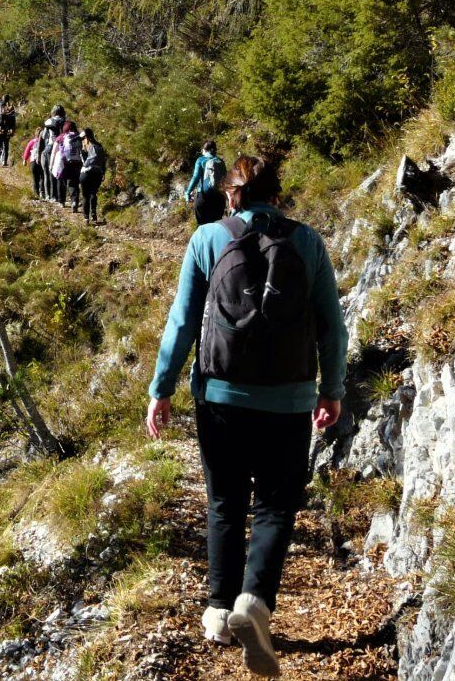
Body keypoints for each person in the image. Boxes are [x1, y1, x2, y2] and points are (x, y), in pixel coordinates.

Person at [146, 156, 347, 678]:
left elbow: (184, 320)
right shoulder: (308, 243)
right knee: (277, 504)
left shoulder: (208, 239)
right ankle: (254, 601)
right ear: (277, 195)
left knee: (224, 501)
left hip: (220, 396)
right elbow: (332, 327)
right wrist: (332, 390)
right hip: (290, 397)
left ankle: (217, 612)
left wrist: (161, 389)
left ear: (229, 194)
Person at [186, 141, 227, 225]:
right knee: (216, 224)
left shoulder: (201, 160)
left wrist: (188, 192)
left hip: (204, 196)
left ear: (204, 150)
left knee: (202, 226)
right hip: (219, 197)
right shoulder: (220, 161)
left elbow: (195, 177)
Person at [53, 120, 83, 209]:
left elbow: (54, 151)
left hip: (64, 162)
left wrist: (52, 164)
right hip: (77, 162)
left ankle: (61, 201)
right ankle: (74, 201)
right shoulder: (79, 137)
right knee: (74, 182)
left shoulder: (61, 137)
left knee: (61, 180)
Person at [78, 129, 106, 224]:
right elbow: (103, 161)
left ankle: (86, 218)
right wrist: (103, 173)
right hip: (97, 172)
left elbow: (83, 162)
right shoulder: (99, 146)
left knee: (85, 195)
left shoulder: (84, 147)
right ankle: (93, 214)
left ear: (86, 137)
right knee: (93, 193)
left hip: (85, 173)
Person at [41, 106, 66, 202]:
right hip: (63, 148)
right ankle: (61, 196)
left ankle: (52, 195)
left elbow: (44, 136)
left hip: (51, 147)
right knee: (60, 173)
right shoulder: (66, 122)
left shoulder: (49, 121)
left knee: (49, 172)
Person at [0, 96, 17, 166]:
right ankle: (4, 161)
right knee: (5, 145)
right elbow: (14, 121)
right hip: (7, 130)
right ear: (8, 99)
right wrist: (12, 130)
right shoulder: (11, 108)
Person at [23, 131, 46, 198]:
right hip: (42, 162)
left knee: (35, 178)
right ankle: (42, 192)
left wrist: (24, 160)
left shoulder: (32, 142)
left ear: (35, 134)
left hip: (33, 162)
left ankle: (36, 193)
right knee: (42, 177)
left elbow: (27, 151)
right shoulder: (44, 141)